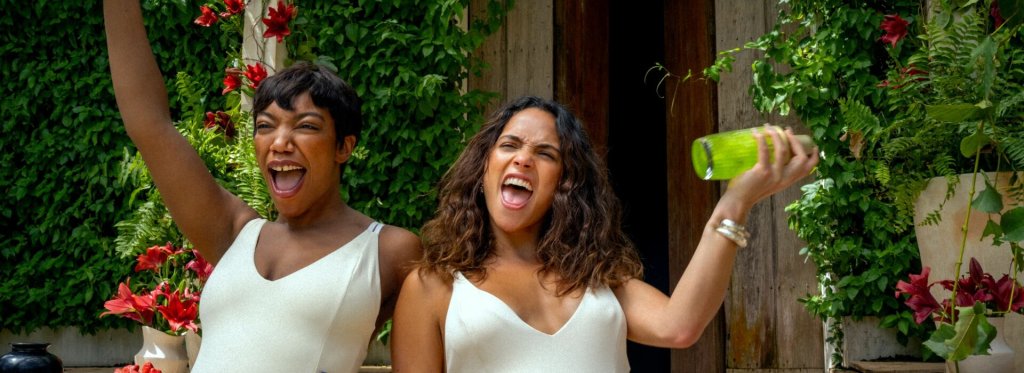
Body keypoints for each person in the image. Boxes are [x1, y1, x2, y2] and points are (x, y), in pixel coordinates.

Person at [391, 96, 819, 372]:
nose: (523, 159)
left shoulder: (595, 275)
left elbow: (680, 326)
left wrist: (734, 204)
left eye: (545, 154)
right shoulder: (434, 286)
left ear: (564, 183)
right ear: (484, 168)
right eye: (509, 145)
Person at [103, 1, 422, 371]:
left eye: (305, 126)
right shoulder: (233, 232)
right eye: (266, 125)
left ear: (343, 147)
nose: (280, 142)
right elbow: (148, 123)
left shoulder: (389, 250)